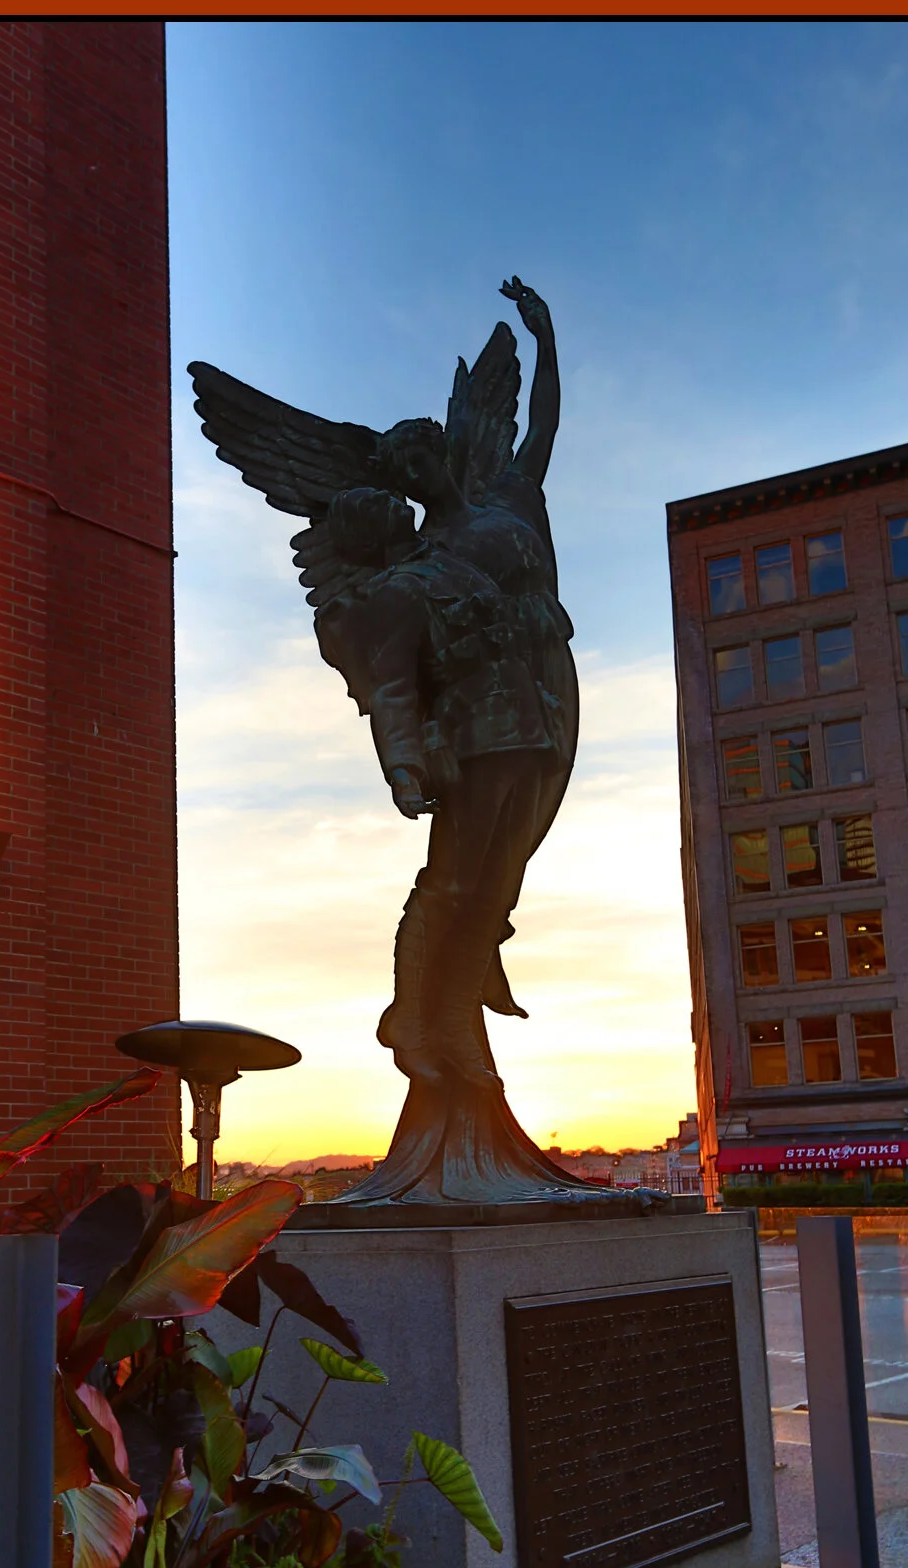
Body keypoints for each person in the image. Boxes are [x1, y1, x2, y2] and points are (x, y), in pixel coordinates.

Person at [316, 279, 578, 1092]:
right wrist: (402, 762)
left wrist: (544, 340)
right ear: (400, 483)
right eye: (406, 468)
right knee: (458, 875)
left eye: (427, 454)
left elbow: (541, 426)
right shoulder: (417, 569)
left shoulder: (508, 497)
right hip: (477, 730)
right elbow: (394, 679)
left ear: (445, 454)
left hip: (540, 706)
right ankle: (415, 1013)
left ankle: (465, 981)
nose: (422, 471)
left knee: (503, 870)